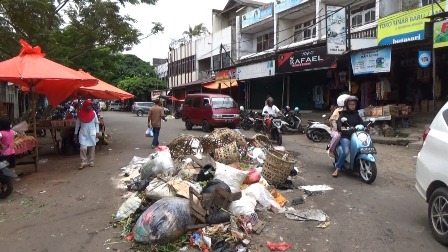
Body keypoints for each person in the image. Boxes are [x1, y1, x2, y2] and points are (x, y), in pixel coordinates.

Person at [332, 96, 364, 178]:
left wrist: (369, 124)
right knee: (345, 151)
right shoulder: (343, 113)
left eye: (354, 104)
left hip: (356, 136)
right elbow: (339, 122)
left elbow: (362, 123)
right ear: (347, 105)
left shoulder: (356, 114)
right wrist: (341, 127)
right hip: (346, 136)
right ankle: (337, 168)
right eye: (351, 104)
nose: (353, 106)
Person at [74, 100, 100, 170]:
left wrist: (97, 132)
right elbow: (77, 125)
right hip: (83, 133)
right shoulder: (80, 114)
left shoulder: (94, 113)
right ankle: (83, 161)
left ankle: (91, 161)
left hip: (92, 133)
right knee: (83, 148)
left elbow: (96, 123)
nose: (90, 107)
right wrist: (75, 134)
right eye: (89, 105)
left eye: (91, 105)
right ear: (85, 106)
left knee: (92, 148)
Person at [327, 94, 350, 158]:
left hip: (349, 129)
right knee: (338, 136)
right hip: (338, 129)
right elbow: (333, 121)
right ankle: (331, 150)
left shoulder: (350, 110)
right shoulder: (337, 111)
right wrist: (338, 129)